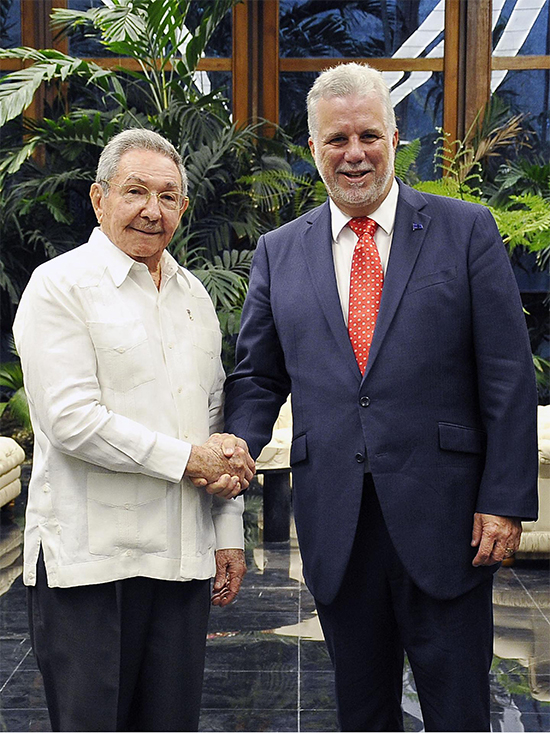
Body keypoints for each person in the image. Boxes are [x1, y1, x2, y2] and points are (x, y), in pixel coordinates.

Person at [224, 63, 539, 732]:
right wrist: (235, 448)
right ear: (313, 148)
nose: (355, 152)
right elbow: (257, 375)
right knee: (362, 714)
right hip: (338, 520)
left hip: (449, 521)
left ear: (396, 137)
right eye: (336, 139)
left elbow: (507, 373)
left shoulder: (466, 230)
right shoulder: (280, 253)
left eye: (369, 134)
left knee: (459, 711)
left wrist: (504, 499)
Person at [13, 128, 255, 732]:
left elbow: (214, 422)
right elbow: (70, 421)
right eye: (135, 191)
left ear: (182, 208)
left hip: (181, 561)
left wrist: (228, 532)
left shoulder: (194, 296)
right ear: (100, 200)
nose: (152, 209)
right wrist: (188, 460)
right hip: (89, 568)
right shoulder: (60, 286)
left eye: (168, 196)